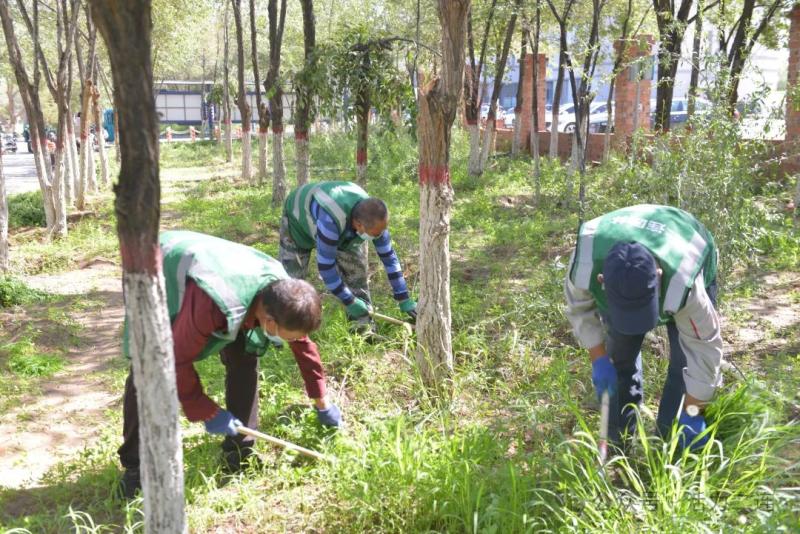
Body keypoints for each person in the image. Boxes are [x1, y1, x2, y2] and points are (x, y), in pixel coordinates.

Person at [119, 230, 341, 498]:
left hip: (216, 269)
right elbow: (175, 358)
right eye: (289, 336)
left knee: (245, 356)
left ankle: (240, 451)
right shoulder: (213, 303)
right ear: (269, 322)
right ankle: (136, 469)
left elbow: (304, 347)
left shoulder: (286, 298)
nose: (292, 341)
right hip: (156, 266)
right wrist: (207, 411)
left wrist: (322, 402)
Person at [564, 204, 723, 451]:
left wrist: (694, 411)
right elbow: (579, 309)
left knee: (683, 368)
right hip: (626, 264)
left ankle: (671, 446)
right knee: (619, 361)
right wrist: (598, 359)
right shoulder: (586, 262)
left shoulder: (686, 283)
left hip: (687, 249)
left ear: (659, 275)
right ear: (602, 281)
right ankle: (619, 444)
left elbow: (703, 353)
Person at [280, 181, 416, 333]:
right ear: (358, 224)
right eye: (375, 234)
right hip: (297, 221)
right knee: (291, 283)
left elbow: (389, 258)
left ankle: (363, 329)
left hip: (344, 228)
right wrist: (349, 300)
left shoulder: (374, 219)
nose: (379, 236)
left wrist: (403, 297)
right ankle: (283, 330)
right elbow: (326, 269)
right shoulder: (330, 221)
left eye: (381, 232)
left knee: (356, 275)